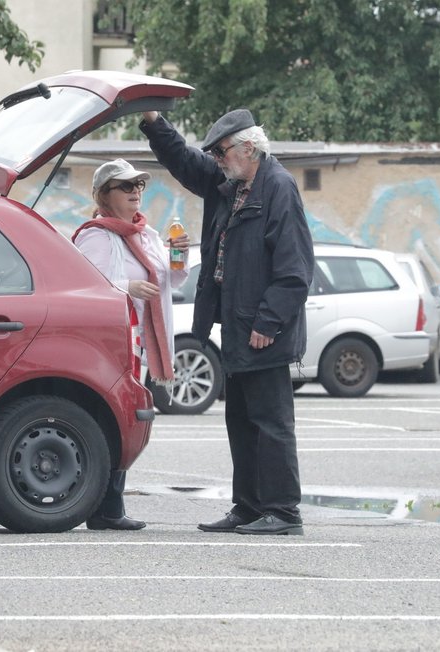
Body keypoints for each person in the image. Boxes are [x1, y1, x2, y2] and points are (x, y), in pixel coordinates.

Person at [140, 108, 313, 536]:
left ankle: (283, 511)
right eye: (215, 152)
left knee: (271, 423)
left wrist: (268, 322)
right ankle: (249, 506)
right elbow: (183, 160)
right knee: (240, 420)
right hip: (236, 326)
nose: (216, 158)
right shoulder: (229, 183)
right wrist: (153, 122)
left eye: (222, 151)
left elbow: (295, 270)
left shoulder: (278, 188)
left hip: (263, 331)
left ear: (249, 148)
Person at [72, 158, 191, 530]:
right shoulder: (96, 235)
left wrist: (179, 259)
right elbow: (85, 285)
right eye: (126, 187)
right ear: (104, 195)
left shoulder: (147, 235)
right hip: (111, 344)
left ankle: (109, 506)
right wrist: (128, 287)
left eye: (139, 185)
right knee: (112, 419)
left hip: (138, 344)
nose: (136, 192)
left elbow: (172, 284)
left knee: (127, 419)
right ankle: (104, 507)